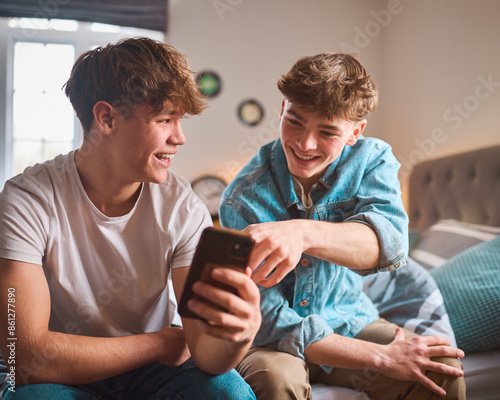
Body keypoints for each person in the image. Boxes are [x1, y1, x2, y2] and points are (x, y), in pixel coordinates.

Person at [0, 37, 260, 400]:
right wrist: (160, 343)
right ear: (106, 118)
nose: (180, 137)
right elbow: (25, 357)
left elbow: (205, 354)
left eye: (179, 121)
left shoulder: (182, 207)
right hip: (64, 373)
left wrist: (240, 333)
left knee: (229, 392)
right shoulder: (27, 198)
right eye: (165, 119)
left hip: (152, 373)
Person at [219, 52, 466, 400]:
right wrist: (380, 357)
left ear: (356, 132)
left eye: (327, 131)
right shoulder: (241, 198)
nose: (305, 144)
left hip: (350, 320)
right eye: (294, 121)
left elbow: (391, 243)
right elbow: (266, 316)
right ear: (281, 110)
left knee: (441, 369)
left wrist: (300, 232)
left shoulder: (372, 160)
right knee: (276, 381)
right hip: (271, 340)